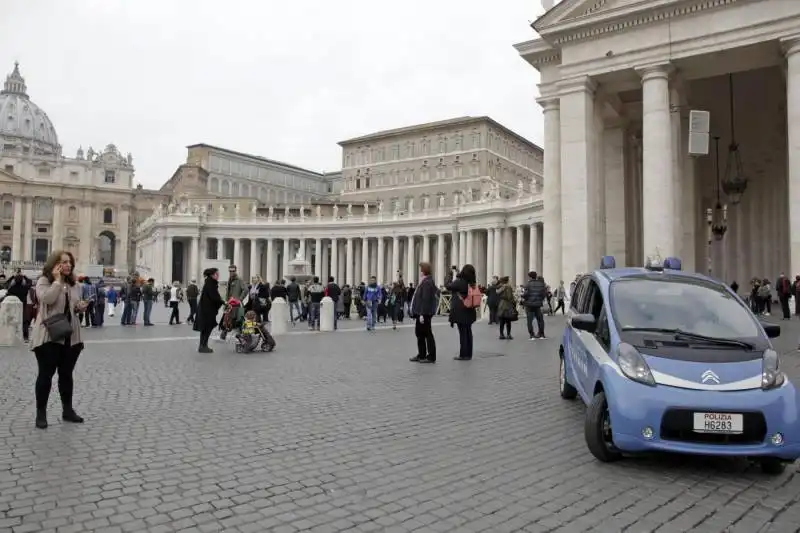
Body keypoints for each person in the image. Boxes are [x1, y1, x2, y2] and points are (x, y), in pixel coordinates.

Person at [30, 250, 88, 429]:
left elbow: (72, 306)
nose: (68, 265)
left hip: (70, 337)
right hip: (49, 336)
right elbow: (47, 299)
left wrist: (80, 307)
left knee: (66, 375)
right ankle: (41, 413)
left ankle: (67, 410)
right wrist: (56, 281)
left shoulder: (74, 283)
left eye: (70, 262)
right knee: (45, 375)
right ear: (54, 264)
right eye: (64, 262)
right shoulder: (44, 281)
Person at [447, 264, 479, 361]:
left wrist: (450, 274)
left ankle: (463, 354)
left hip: (461, 311)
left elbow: (448, 286)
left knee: (463, 333)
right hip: (470, 310)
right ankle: (468, 353)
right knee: (468, 332)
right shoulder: (472, 283)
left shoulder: (460, 282)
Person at [410, 262, 438, 363]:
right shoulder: (425, 281)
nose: (420, 271)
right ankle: (421, 354)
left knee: (427, 334)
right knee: (419, 333)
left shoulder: (427, 282)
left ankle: (431, 356)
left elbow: (425, 299)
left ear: (424, 271)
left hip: (424, 313)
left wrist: (422, 313)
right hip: (421, 312)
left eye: (421, 269)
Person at [196, 268, 224, 353]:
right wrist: (223, 302)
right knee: (207, 328)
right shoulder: (211, 283)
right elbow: (214, 297)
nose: (218, 276)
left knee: (205, 328)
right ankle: (203, 346)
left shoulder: (209, 282)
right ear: (212, 275)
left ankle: (203, 345)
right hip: (208, 310)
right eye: (216, 274)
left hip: (206, 309)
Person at [523, 271, 547, 339]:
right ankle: (541, 334)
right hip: (538, 304)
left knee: (529, 320)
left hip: (529, 305)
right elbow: (543, 294)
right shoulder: (541, 284)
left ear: (530, 277)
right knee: (540, 320)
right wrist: (540, 300)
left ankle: (532, 334)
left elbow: (526, 294)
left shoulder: (528, 284)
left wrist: (524, 297)